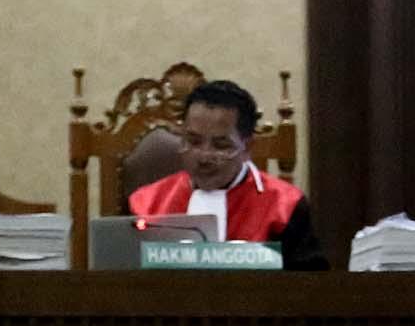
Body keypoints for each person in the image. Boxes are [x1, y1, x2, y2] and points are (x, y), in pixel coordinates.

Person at [127, 79, 326, 270]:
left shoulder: (285, 207)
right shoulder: (146, 204)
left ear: (247, 147)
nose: (204, 156)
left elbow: (306, 286)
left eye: (221, 145)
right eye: (193, 142)